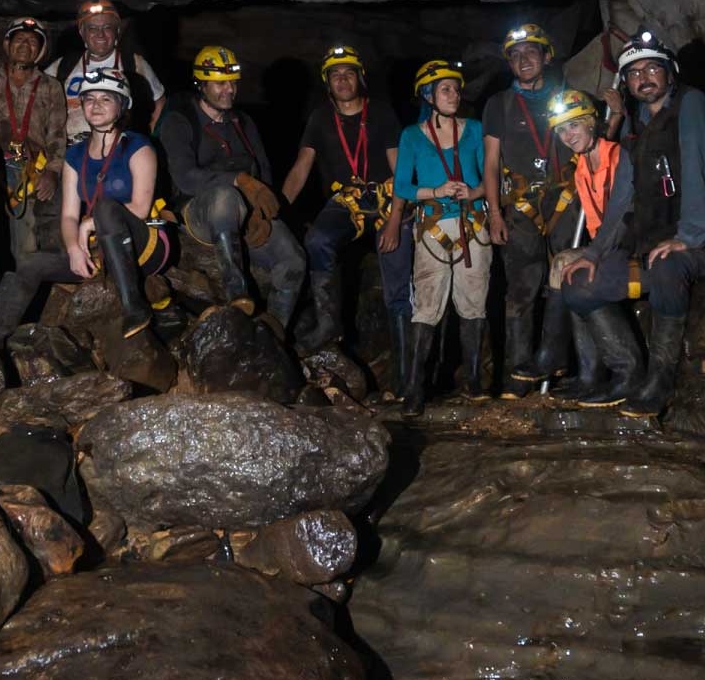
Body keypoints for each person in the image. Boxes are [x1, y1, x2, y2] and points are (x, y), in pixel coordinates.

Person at [561, 33, 705, 414]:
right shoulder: (636, 127)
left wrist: (688, 237)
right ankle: (628, 374)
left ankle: (661, 380)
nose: (643, 78)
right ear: (625, 83)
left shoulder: (691, 105)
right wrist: (595, 253)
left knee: (665, 267)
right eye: (634, 73)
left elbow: (698, 168)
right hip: (651, 245)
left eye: (652, 68)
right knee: (578, 284)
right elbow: (623, 197)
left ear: (670, 72)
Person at [0, 67, 174, 354]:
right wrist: (74, 249)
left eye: (106, 99)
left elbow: (140, 209)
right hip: (100, 252)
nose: (96, 105)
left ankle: (134, 306)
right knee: (31, 264)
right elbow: (68, 215)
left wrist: (88, 225)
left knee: (105, 208)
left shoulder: (138, 147)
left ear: (122, 105)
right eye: (90, 99)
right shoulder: (75, 155)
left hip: (146, 246)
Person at [155, 45, 306, 332]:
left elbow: (262, 172)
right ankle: (237, 291)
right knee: (225, 197)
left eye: (232, 82)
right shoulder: (179, 121)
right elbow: (186, 178)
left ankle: (274, 334)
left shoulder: (243, 122)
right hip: (197, 211)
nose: (229, 90)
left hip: (241, 211)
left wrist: (260, 212)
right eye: (220, 84)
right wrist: (239, 180)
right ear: (201, 84)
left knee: (294, 259)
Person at [281, 44, 410, 362]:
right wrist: (278, 211)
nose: (342, 80)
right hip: (347, 202)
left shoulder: (380, 112)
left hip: (385, 199)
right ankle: (328, 325)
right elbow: (301, 166)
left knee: (398, 275)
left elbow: (401, 169)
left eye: (348, 73)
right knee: (318, 240)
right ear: (327, 82)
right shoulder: (321, 117)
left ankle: (405, 363)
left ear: (360, 78)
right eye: (334, 75)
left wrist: (398, 217)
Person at [481, 23, 575, 398]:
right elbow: (490, 163)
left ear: (546, 57)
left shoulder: (568, 97)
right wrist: (494, 213)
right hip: (520, 209)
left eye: (531, 52)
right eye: (516, 55)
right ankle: (517, 376)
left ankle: (564, 369)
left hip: (566, 203)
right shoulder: (499, 104)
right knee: (521, 291)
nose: (524, 60)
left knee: (568, 283)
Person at [394, 59, 491, 415]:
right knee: (427, 306)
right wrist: (435, 191)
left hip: (473, 227)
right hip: (434, 230)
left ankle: (475, 381)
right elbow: (402, 185)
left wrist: (476, 192)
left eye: (455, 88)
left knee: (474, 302)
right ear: (429, 95)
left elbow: (490, 176)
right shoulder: (412, 135)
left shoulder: (476, 129)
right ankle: (415, 388)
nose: (454, 94)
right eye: (446, 89)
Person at [546, 89, 643, 408]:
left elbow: (624, 218)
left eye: (574, 125)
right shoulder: (581, 169)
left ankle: (627, 372)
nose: (567, 135)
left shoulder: (619, 154)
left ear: (591, 123)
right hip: (609, 244)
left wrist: (594, 256)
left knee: (578, 278)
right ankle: (588, 373)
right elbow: (596, 228)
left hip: (635, 242)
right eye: (561, 130)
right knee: (564, 264)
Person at [0, 16, 66, 265]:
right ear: (6, 44)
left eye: (33, 42)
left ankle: (24, 289)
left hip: (27, 170)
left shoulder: (51, 86)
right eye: (19, 39)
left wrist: (53, 171)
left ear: (41, 51)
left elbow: (57, 132)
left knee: (26, 244)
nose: (25, 45)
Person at [46, 0, 165, 141]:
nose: (100, 34)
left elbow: (159, 102)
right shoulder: (63, 66)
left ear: (117, 31)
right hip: (71, 149)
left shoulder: (133, 63)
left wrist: (145, 139)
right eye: (92, 28)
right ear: (82, 32)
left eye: (107, 27)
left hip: (119, 149)